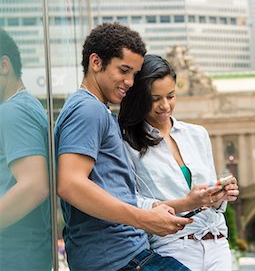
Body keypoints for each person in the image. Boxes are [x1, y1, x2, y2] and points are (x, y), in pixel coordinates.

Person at [55, 23, 192, 271]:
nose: (130, 82)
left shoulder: (96, 110)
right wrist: (145, 219)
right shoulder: (87, 110)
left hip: (128, 256)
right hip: (122, 260)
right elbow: (70, 184)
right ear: (96, 62)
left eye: (134, 74)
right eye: (124, 70)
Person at [118, 54, 240, 271]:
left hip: (217, 242)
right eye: (155, 99)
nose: (165, 106)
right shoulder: (127, 143)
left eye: (171, 96)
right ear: (138, 98)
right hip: (173, 247)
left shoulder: (197, 134)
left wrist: (219, 195)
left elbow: (211, 200)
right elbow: (131, 203)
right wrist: (187, 203)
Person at [0, 28, 51, 270]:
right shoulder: (27, 105)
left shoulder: (13, 111)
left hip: (15, 254)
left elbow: (34, 187)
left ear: (4, 65)